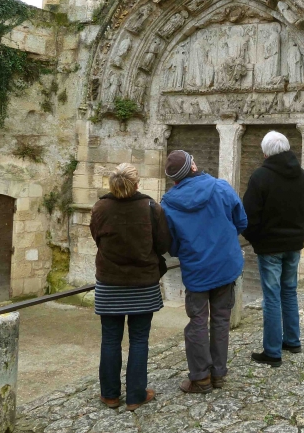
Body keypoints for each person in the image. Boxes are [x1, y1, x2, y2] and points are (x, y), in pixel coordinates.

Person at [160, 150, 247, 393]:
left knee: (198, 321)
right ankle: (218, 373)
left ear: (174, 179)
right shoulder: (220, 187)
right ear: (194, 167)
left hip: (196, 268)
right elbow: (241, 221)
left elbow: (171, 243)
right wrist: (224, 239)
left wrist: (188, 250)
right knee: (221, 319)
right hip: (225, 264)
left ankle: (201, 378)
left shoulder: (168, 204)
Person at [89, 163, 171, 411]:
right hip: (142, 282)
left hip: (110, 282)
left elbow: (96, 237)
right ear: (137, 184)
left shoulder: (100, 207)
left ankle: (111, 395)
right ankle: (136, 395)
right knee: (139, 340)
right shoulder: (151, 208)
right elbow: (164, 243)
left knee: (110, 340)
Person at [242, 131, 304, 367]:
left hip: (270, 247)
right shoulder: (302, 176)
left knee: (272, 297)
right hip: (293, 245)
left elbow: (248, 217)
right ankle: (292, 341)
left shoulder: (260, 177)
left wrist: (257, 240)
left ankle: (273, 351)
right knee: (289, 291)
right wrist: (294, 230)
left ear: (265, 152)